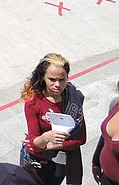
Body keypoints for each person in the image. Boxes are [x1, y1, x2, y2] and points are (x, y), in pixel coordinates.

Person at [20, 53, 86, 185]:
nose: (58, 85)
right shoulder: (34, 102)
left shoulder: (73, 98)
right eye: (52, 79)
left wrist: (57, 145)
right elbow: (34, 144)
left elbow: (81, 138)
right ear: (43, 77)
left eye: (62, 79)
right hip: (37, 162)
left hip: (60, 161)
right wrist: (46, 137)